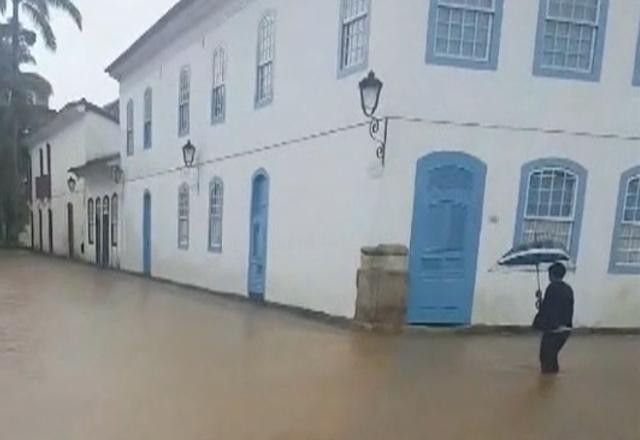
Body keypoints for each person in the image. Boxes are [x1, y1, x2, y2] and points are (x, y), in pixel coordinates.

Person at [533, 262, 574, 374]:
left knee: (545, 358)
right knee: (552, 357)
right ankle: (552, 383)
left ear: (552, 274)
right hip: (566, 330)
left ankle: (547, 385)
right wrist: (542, 299)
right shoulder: (568, 289)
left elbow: (547, 309)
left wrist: (541, 302)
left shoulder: (552, 288)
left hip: (554, 330)